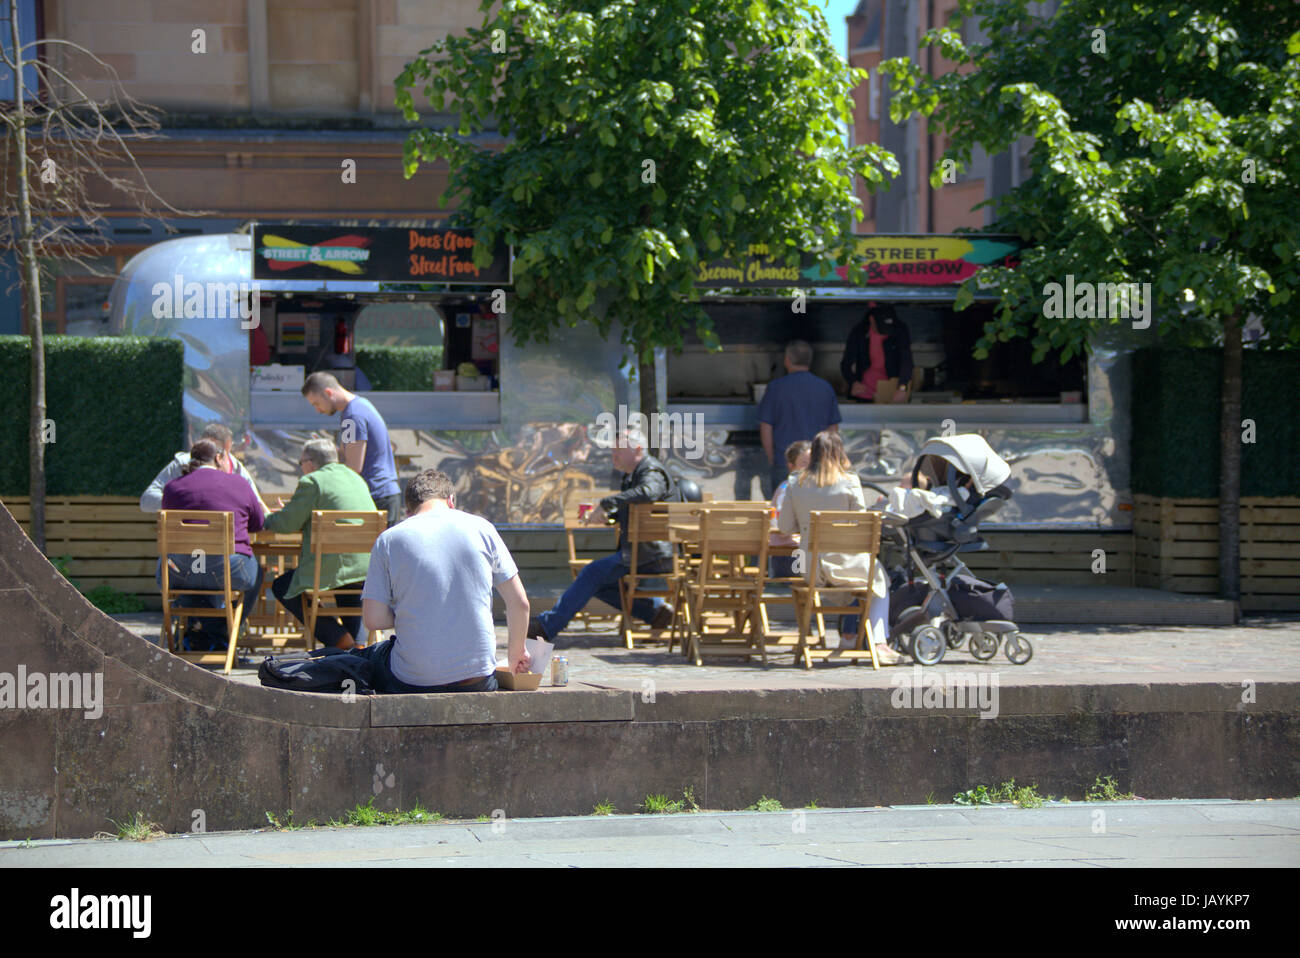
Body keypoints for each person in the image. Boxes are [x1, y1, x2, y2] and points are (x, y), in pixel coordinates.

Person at [360, 469, 531, 692]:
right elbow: (520, 603)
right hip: (477, 678)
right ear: (451, 500)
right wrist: (516, 653)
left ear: (409, 510)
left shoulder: (389, 540)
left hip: (413, 679)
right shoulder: (483, 529)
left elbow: (373, 619)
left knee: (373, 656)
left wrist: (412, 612)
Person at [528, 428, 676, 644]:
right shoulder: (633, 474)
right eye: (612, 451)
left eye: (618, 450)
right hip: (644, 552)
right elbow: (639, 509)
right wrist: (611, 518)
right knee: (596, 581)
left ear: (637, 449)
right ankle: (654, 612)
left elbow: (649, 492)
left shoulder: (650, 470)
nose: (613, 456)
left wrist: (607, 503)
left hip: (652, 554)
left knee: (591, 573)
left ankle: (547, 626)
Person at [777, 430, 900, 664]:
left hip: (809, 566)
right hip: (846, 565)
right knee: (880, 579)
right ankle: (878, 643)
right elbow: (862, 524)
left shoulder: (796, 482)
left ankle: (851, 636)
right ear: (839, 452)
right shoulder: (850, 480)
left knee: (868, 575)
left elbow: (784, 527)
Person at [262, 438, 377, 651]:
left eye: (301, 463)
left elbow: (287, 524)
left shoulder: (312, 481)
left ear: (310, 462)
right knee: (347, 584)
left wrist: (267, 518)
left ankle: (338, 639)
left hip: (334, 566)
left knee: (282, 586)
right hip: (366, 566)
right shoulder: (355, 478)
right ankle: (360, 646)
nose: (301, 467)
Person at [157, 439, 265, 651]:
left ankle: (200, 633)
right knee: (255, 573)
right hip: (229, 569)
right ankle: (223, 631)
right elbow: (258, 524)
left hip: (181, 571)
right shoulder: (239, 484)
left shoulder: (172, 487)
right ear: (218, 458)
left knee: (193, 581)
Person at [301, 371, 402, 525]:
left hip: (376, 497)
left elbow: (354, 467)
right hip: (383, 494)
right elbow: (345, 454)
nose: (318, 410)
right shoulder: (356, 408)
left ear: (328, 393)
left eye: (316, 403)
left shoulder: (353, 416)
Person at [757, 340, 841, 499]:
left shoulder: (776, 388)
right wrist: (828, 459)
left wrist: (772, 458)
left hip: (785, 463)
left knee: (782, 510)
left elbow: (766, 427)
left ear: (787, 360)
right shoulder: (825, 387)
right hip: (818, 464)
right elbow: (833, 429)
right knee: (816, 510)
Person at [141, 423, 268, 514]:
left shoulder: (237, 469)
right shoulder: (182, 464)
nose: (223, 459)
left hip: (224, 543)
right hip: (188, 542)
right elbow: (147, 501)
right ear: (206, 443)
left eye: (227, 453)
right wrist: (186, 502)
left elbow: (257, 506)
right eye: (219, 452)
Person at [840, 303, 914, 404]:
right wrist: (853, 382)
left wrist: (902, 387)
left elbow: (907, 360)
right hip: (865, 392)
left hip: (891, 391)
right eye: (881, 328)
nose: (885, 332)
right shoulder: (859, 331)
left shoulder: (900, 329)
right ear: (871, 320)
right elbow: (846, 363)